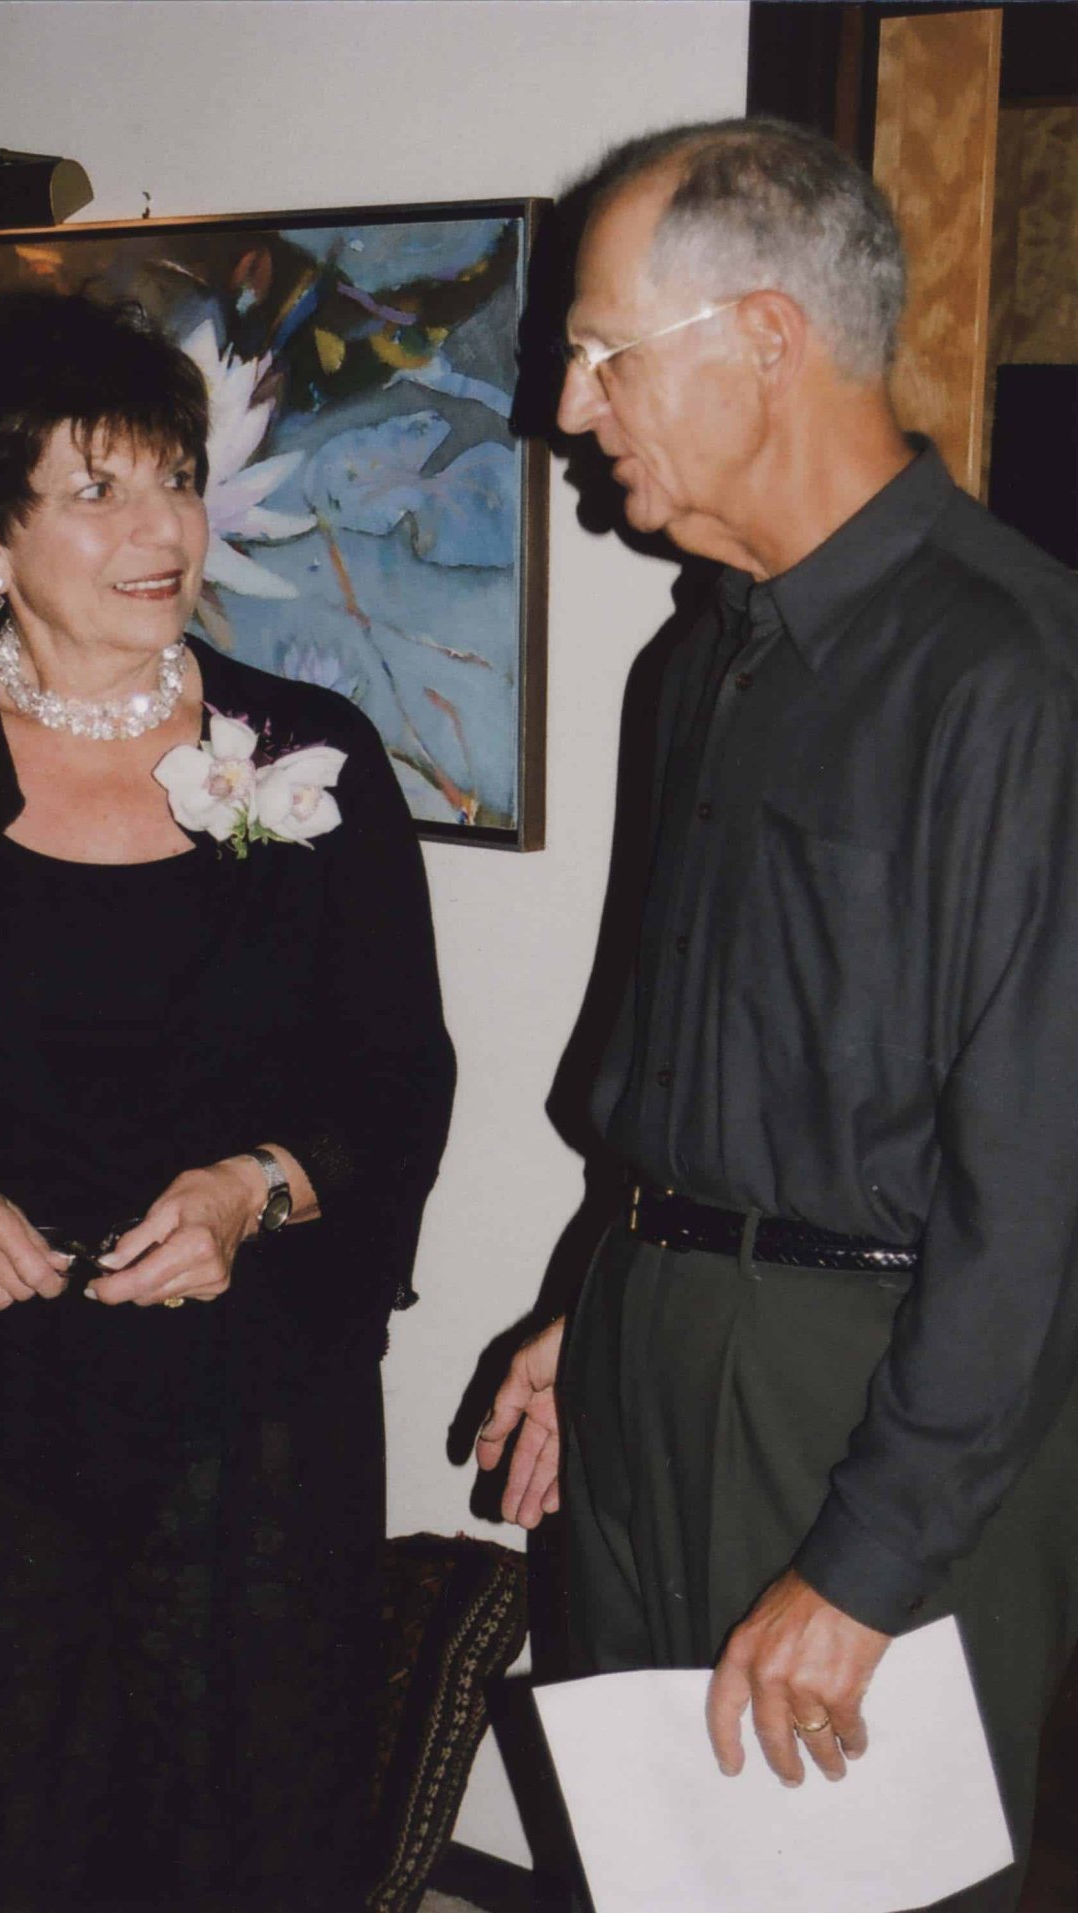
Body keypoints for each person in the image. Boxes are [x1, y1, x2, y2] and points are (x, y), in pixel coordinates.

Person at [478, 118, 1078, 1910]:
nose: (574, 408)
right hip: (658, 1351)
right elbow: (685, 1067)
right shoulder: (698, 662)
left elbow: (1038, 1196)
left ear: (763, 335)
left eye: (601, 352)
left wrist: (874, 1560)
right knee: (667, 1875)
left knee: (856, 1886)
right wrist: (593, 1304)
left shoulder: (1015, 675)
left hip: (872, 1389)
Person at [0, 292, 454, 1912]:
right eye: (97, 490)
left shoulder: (314, 755)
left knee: (231, 1844)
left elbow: (398, 1077)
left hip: (245, 1449)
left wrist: (261, 1187)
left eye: (175, 477)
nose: (163, 529)